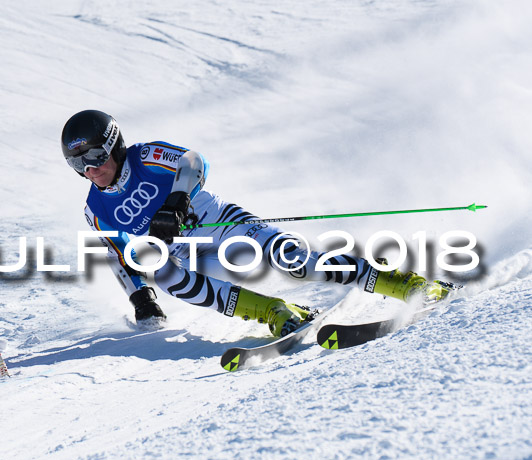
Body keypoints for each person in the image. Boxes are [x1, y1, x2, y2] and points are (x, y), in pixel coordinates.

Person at [61, 110, 453, 337]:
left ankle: (408, 284)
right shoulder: (95, 208)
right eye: (78, 164)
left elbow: (195, 161)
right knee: (171, 280)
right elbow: (116, 254)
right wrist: (140, 298)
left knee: (294, 261)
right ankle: (274, 312)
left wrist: (178, 199)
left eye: (95, 156)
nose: (90, 169)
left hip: (219, 221)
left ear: (113, 143)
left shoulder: (145, 155)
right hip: (186, 252)